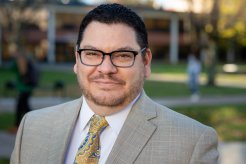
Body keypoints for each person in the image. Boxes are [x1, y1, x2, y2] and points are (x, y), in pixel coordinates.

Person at [11, 3, 219, 164]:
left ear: (145, 62)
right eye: (92, 54)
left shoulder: (193, 143)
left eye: (122, 55)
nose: (106, 68)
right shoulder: (32, 127)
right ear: (77, 60)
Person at [10, 46, 38, 131]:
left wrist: (15, 59)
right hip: (27, 87)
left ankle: (20, 124)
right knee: (23, 106)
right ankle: (21, 124)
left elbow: (12, 68)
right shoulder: (28, 59)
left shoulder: (20, 61)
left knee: (22, 107)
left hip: (24, 88)